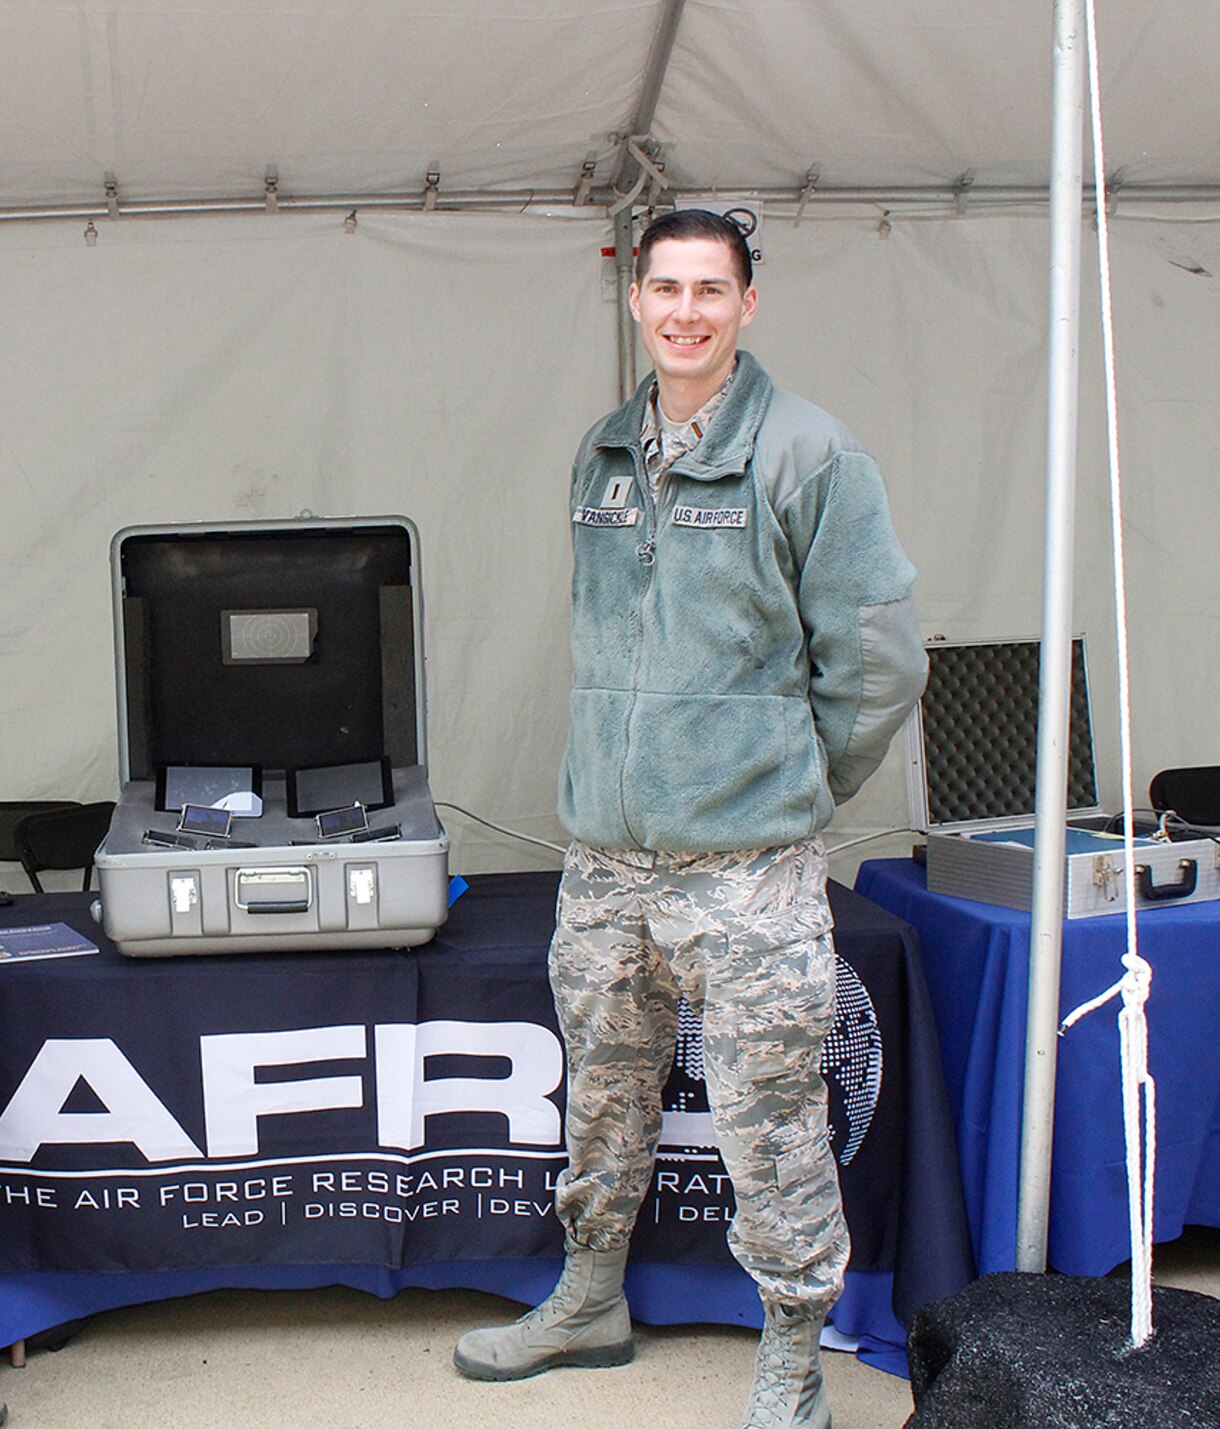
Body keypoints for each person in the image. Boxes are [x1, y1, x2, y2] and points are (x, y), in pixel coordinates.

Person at [454, 210, 927, 1429]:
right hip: (606, 859)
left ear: (747, 304)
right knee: (602, 1093)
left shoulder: (811, 453)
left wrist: (789, 785)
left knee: (769, 1118)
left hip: (747, 863)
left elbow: (874, 659)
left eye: (708, 290)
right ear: (633, 299)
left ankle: (790, 1355)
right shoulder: (604, 451)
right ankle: (588, 1295)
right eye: (663, 287)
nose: (683, 311)